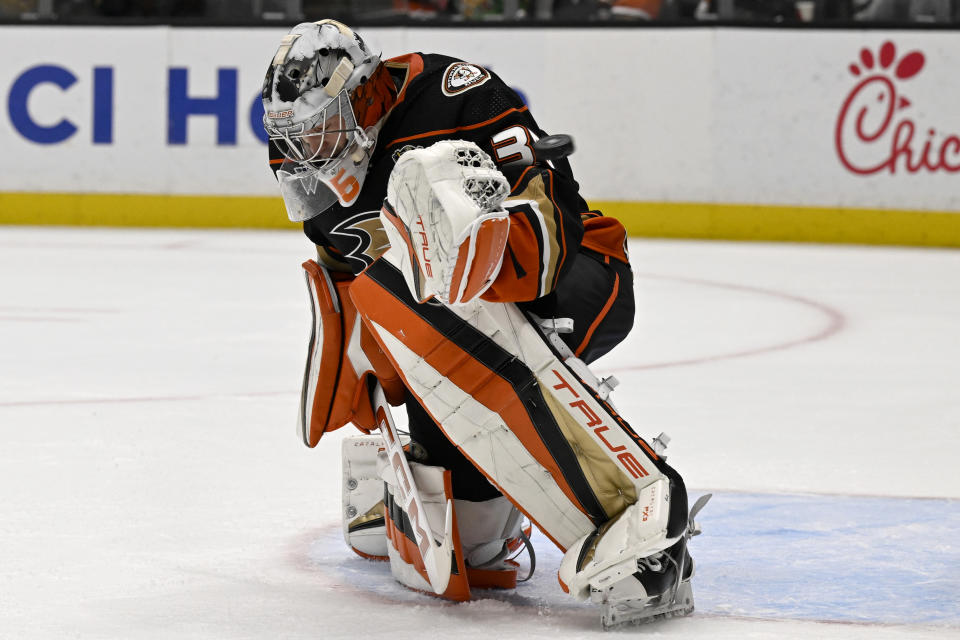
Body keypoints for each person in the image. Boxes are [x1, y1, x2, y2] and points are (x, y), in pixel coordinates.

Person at [261, 19, 705, 627]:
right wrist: (369, 365)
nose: (308, 149)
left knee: (442, 248)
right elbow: (347, 270)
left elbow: (555, 208)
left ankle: (635, 511)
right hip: (444, 328)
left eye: (321, 127)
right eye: (296, 136)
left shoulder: (457, 94)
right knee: (471, 548)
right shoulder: (304, 157)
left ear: (363, 91)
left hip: (572, 276)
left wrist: (480, 258)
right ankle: (438, 477)